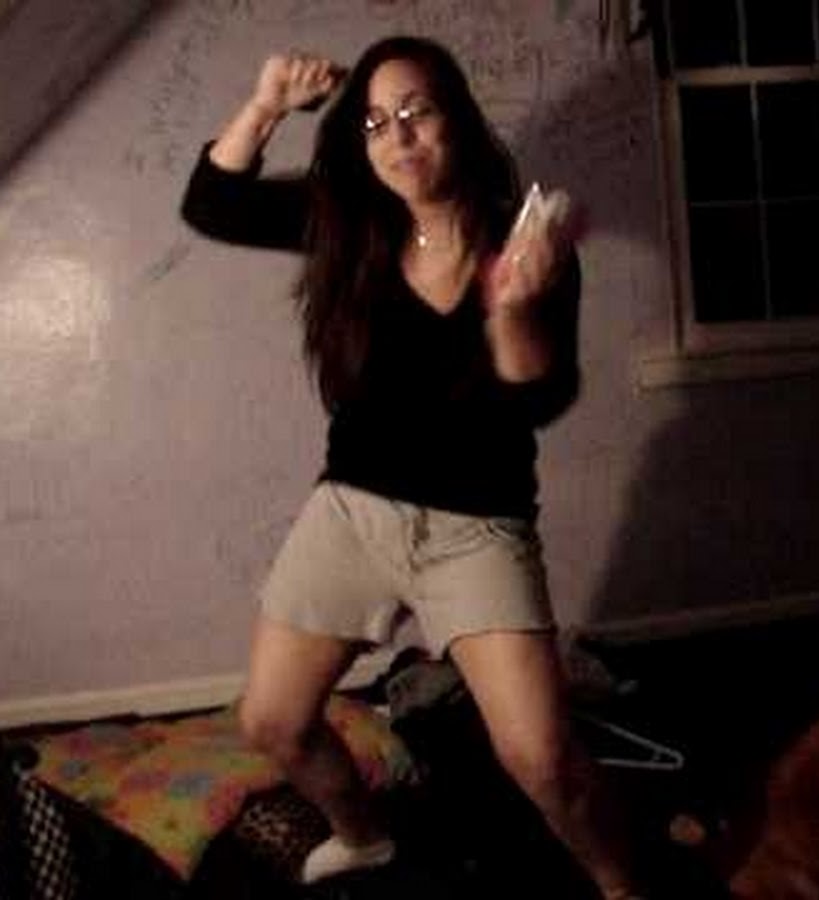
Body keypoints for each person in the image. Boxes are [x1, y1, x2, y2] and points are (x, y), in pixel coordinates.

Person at [181, 35, 639, 899]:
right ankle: (364, 839)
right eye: (374, 122)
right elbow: (212, 204)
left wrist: (511, 313)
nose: (397, 136)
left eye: (416, 111)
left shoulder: (528, 243)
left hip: (478, 527)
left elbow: (540, 403)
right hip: (352, 513)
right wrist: (268, 103)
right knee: (272, 722)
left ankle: (624, 886)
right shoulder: (349, 226)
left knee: (543, 760)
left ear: (455, 118)